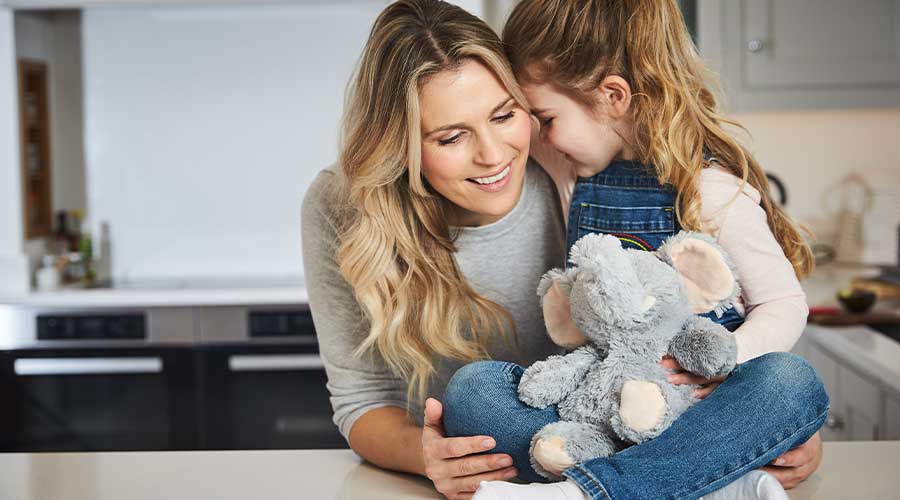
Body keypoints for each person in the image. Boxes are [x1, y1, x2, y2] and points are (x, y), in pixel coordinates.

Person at [301, 1, 826, 499]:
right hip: (565, 425)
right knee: (472, 394)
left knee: (788, 382)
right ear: (399, 145)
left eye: (509, 116)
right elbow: (362, 402)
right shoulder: (346, 205)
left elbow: (770, 310)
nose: (493, 155)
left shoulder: (571, 162)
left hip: (663, 409)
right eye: (450, 136)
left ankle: (614, 486)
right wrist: (429, 454)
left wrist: (748, 424)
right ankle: (695, 479)